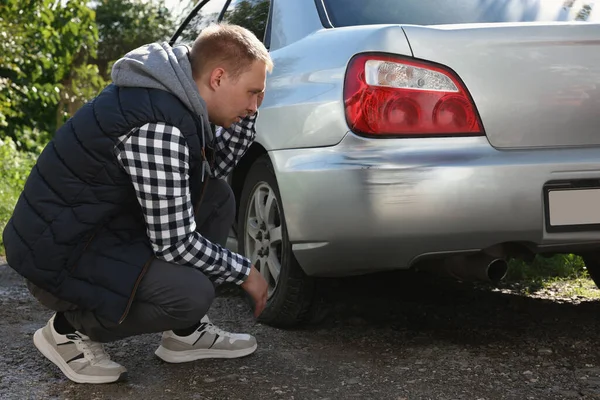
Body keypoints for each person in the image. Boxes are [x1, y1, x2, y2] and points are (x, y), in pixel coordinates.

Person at [2, 23, 272, 384]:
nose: (255, 105)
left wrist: (246, 115)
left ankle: (185, 334)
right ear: (218, 78)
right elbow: (175, 243)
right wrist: (246, 273)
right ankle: (67, 330)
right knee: (190, 294)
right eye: (252, 94)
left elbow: (213, 170)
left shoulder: (175, 98)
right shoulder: (158, 125)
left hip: (97, 230)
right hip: (58, 254)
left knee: (217, 196)